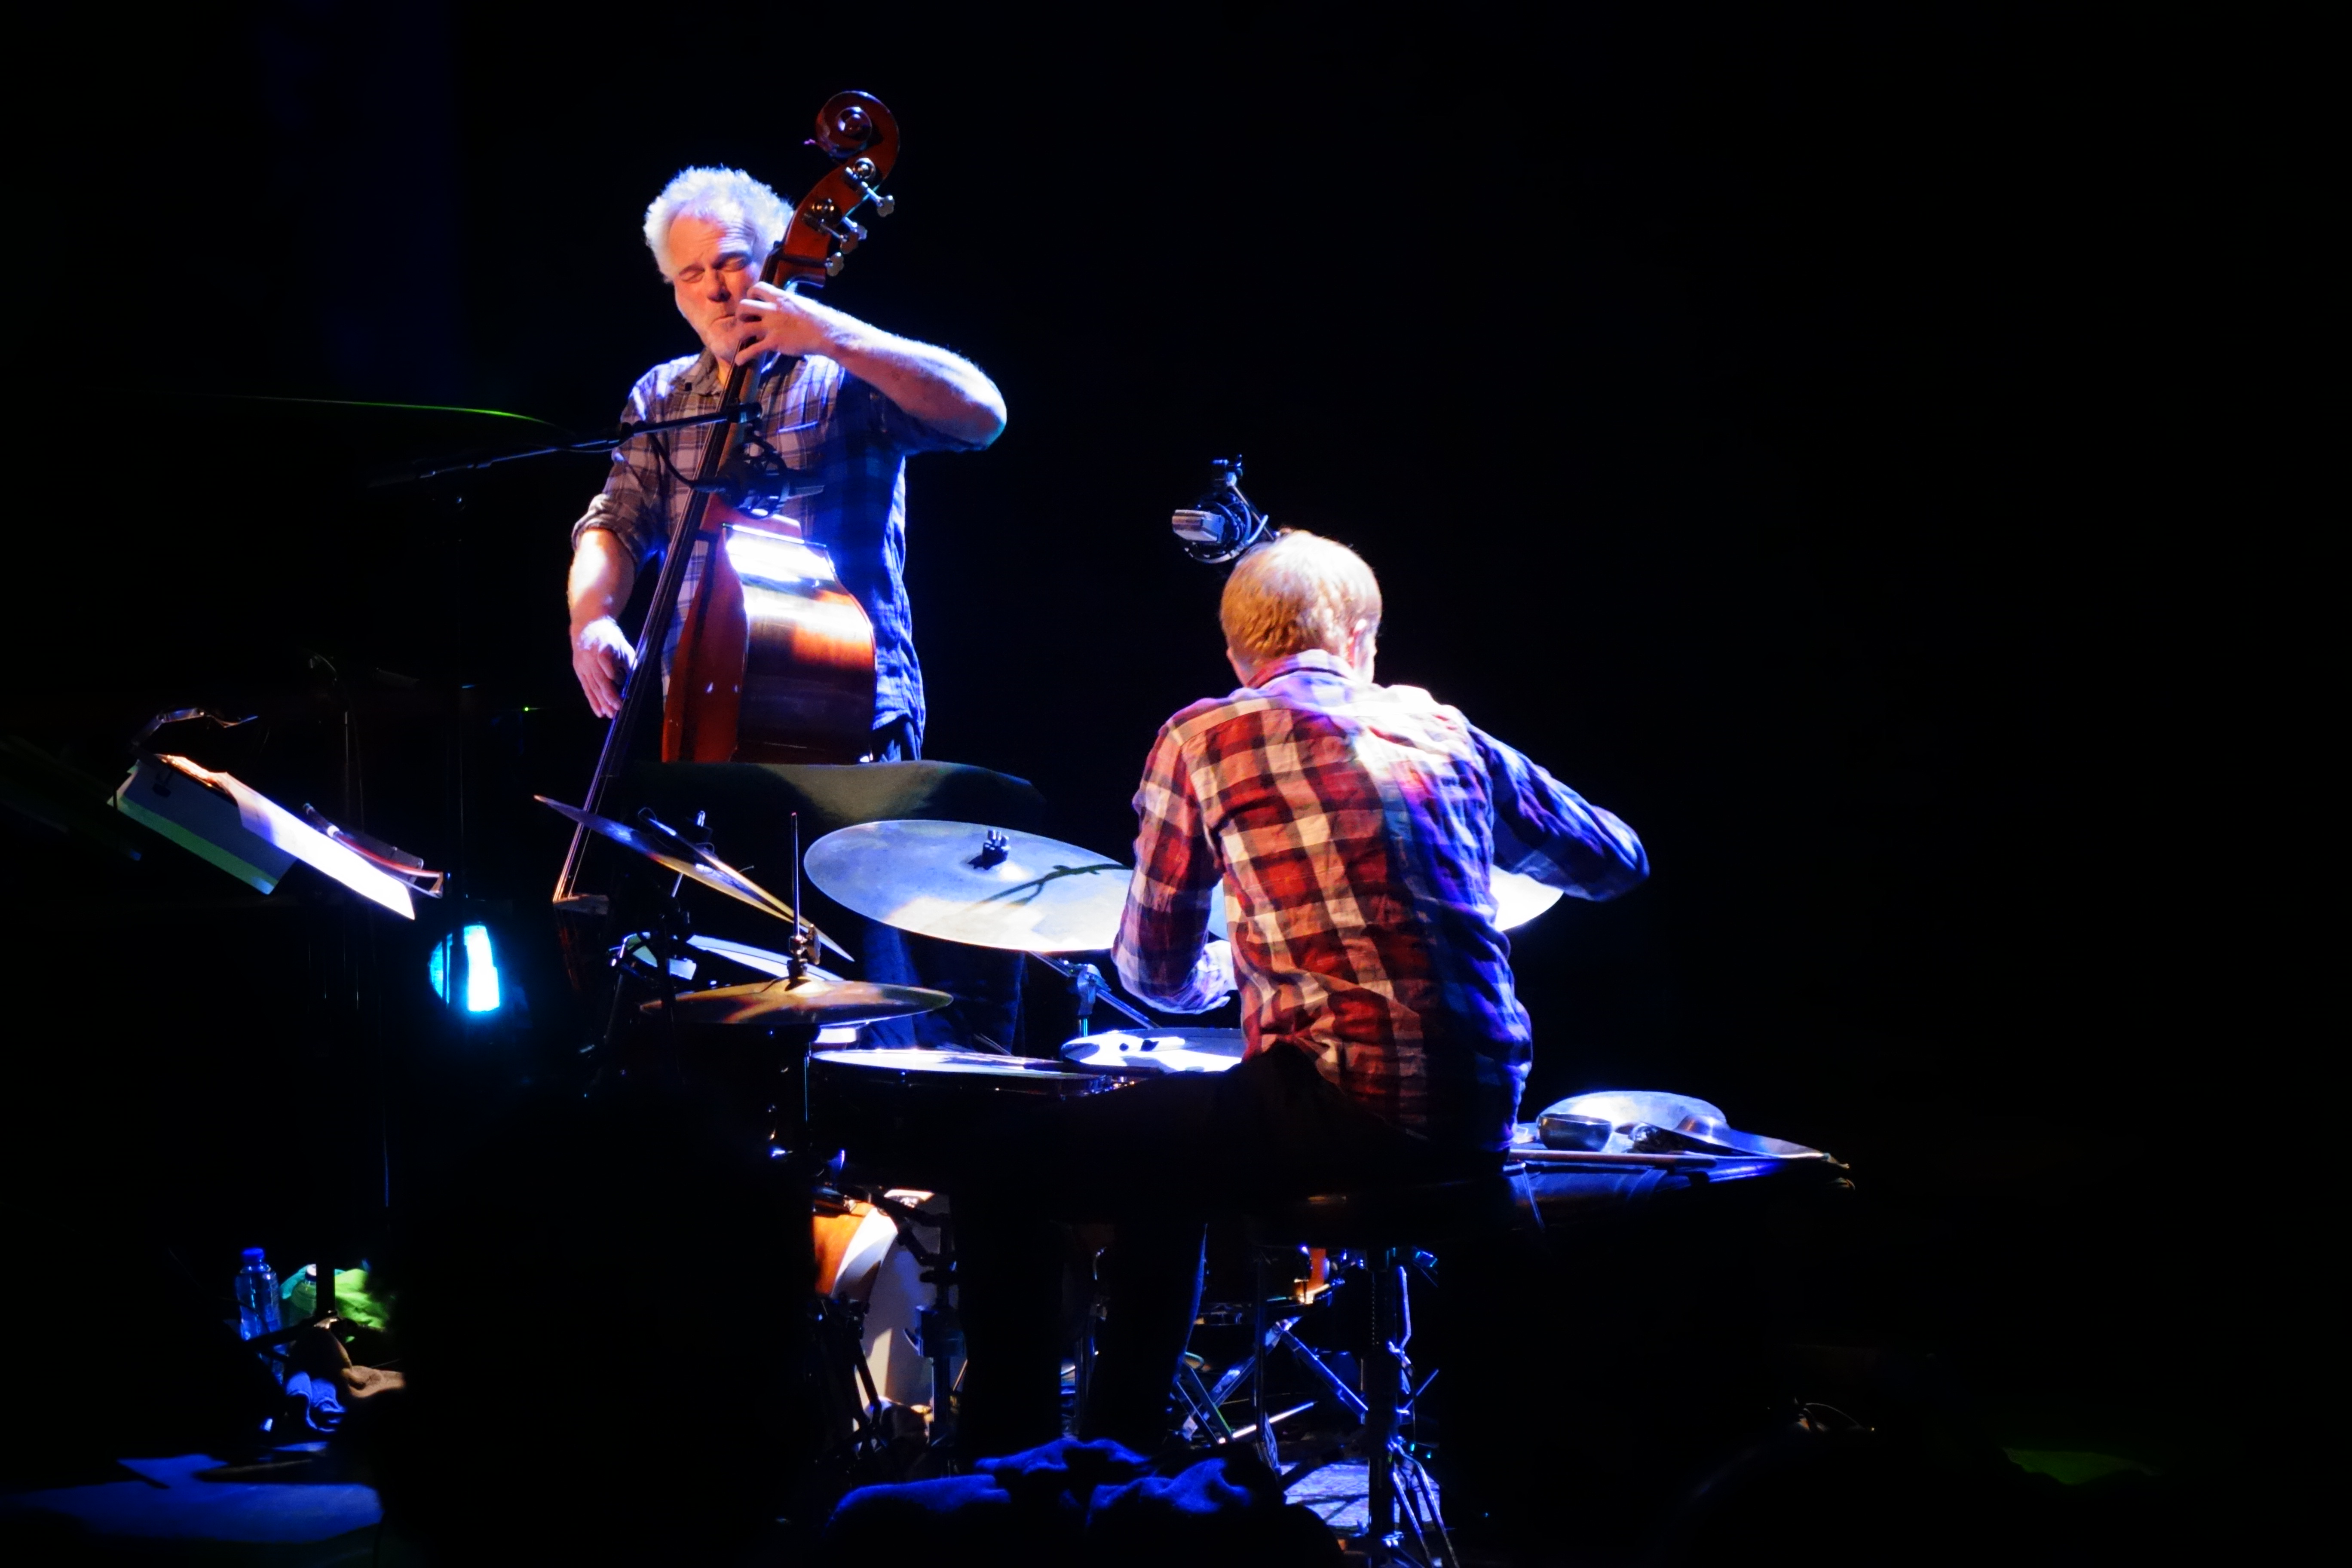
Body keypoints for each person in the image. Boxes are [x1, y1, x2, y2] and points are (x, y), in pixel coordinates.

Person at [952, 529, 1649, 1460]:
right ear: (1362, 638)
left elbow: (1153, 976)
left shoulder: (1204, 734)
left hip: (1348, 1107)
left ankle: (1017, 1470)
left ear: (1238, 653)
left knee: (999, 1158)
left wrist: (1220, 970)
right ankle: (1115, 1447)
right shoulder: (1446, 731)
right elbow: (1616, 861)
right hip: (1480, 1113)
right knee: (1170, 1155)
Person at [565, 164, 1006, 762]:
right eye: (690, 274)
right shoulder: (661, 396)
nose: (714, 290)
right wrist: (593, 619)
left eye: (728, 262)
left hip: (849, 707)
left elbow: (982, 415)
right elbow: (615, 523)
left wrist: (830, 334)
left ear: (778, 259)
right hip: (703, 713)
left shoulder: (847, 374)